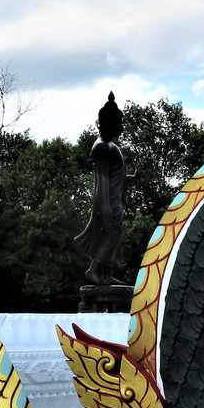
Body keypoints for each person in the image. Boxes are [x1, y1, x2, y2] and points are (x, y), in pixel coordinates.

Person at [74, 92, 134, 285]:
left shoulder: (110, 146)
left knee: (113, 236)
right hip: (107, 200)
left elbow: (116, 176)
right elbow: (102, 179)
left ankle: (106, 275)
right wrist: (105, 206)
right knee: (110, 234)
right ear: (109, 122)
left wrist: (131, 179)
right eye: (119, 122)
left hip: (115, 198)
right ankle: (93, 270)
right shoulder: (102, 147)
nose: (121, 127)